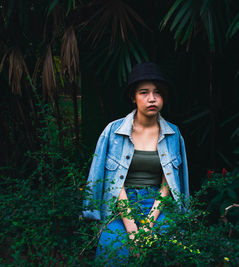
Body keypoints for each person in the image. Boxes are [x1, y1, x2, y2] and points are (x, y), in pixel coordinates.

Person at [82, 62, 189, 263]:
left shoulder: (173, 134)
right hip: (119, 205)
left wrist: (149, 225)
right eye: (144, 92)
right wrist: (131, 227)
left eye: (157, 92)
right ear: (133, 97)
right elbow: (113, 182)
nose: (152, 98)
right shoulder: (113, 132)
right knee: (113, 249)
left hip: (157, 203)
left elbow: (168, 184)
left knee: (165, 249)